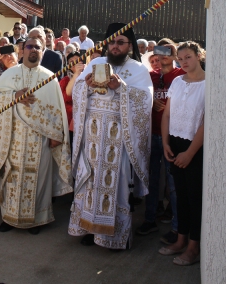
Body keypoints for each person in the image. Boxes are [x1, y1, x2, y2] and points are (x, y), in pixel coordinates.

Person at [69, 22, 153, 249]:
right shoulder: (95, 62)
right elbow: (76, 91)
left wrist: (122, 88)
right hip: (93, 136)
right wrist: (84, 86)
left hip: (119, 140)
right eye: (112, 42)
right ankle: (90, 229)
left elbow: (145, 102)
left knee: (117, 188)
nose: (115, 47)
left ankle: (116, 237)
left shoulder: (138, 69)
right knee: (90, 183)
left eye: (121, 42)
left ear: (129, 45)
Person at [0, 37, 73, 234]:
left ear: (43, 52)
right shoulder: (11, 74)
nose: (33, 50)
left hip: (40, 139)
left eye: (38, 48)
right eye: (29, 46)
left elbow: (57, 110)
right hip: (13, 136)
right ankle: (9, 218)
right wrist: (13, 97)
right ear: (22, 50)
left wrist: (56, 134)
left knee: (39, 177)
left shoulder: (50, 77)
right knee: (11, 176)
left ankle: (37, 219)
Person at [159, 41, 205, 266]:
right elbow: (167, 114)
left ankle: (194, 247)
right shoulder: (177, 81)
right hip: (174, 144)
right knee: (181, 197)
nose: (184, 62)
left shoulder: (210, 83)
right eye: (181, 58)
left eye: (188, 57)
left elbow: (206, 123)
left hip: (195, 147)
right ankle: (180, 240)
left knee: (195, 198)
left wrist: (189, 153)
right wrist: (166, 143)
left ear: (199, 55)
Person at [136, 39, 184, 244]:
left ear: (174, 55)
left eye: (167, 52)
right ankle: (150, 218)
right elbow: (137, 97)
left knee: (173, 183)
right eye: (158, 53)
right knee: (151, 180)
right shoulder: (150, 77)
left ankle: (177, 226)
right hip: (151, 134)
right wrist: (149, 100)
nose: (162, 57)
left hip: (172, 136)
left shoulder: (181, 76)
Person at [59, 51, 85, 148]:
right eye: (71, 61)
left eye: (77, 61)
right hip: (69, 121)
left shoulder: (88, 78)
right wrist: (76, 75)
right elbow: (67, 95)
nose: (74, 63)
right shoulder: (65, 80)